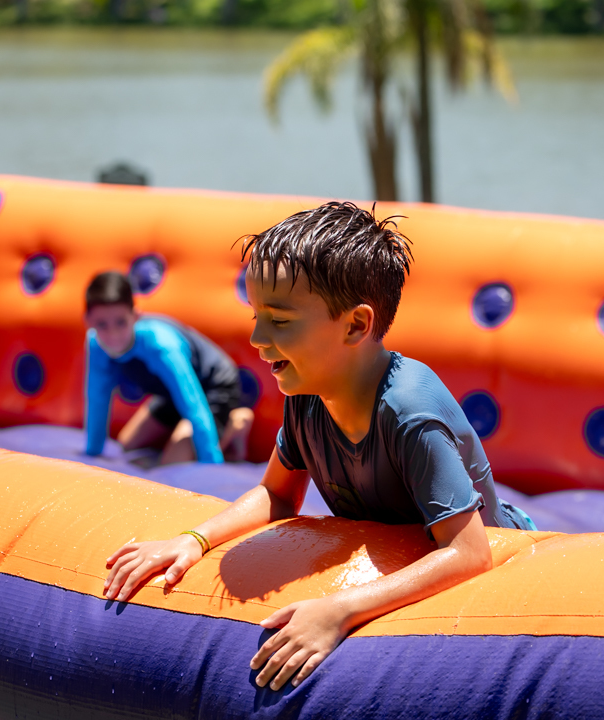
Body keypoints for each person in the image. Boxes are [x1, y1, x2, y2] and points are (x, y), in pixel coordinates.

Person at [103, 202, 535, 691]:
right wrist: (192, 540)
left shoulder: (409, 413)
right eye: (256, 315)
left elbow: (470, 553)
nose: (256, 338)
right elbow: (277, 494)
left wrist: (340, 609)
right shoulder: (309, 394)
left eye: (280, 321)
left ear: (355, 325)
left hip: (506, 552)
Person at [83, 271, 254, 464]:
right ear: (88, 321)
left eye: (121, 322)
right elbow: (97, 399)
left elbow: (193, 404)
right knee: (125, 444)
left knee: (172, 463)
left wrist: (210, 463)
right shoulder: (96, 345)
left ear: (136, 316)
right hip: (171, 394)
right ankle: (186, 431)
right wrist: (92, 455)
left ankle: (236, 421)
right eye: (102, 324)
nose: (113, 334)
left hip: (212, 385)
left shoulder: (161, 346)